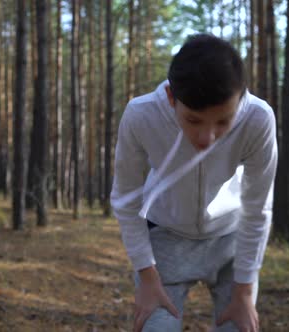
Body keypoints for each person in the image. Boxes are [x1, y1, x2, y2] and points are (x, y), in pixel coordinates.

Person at [110, 34, 278, 332]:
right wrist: (147, 277)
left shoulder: (257, 119)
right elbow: (125, 200)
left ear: (240, 100)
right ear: (172, 97)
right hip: (165, 240)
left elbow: (257, 209)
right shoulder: (141, 115)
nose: (207, 138)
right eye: (194, 121)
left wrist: (245, 292)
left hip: (231, 241)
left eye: (223, 122)